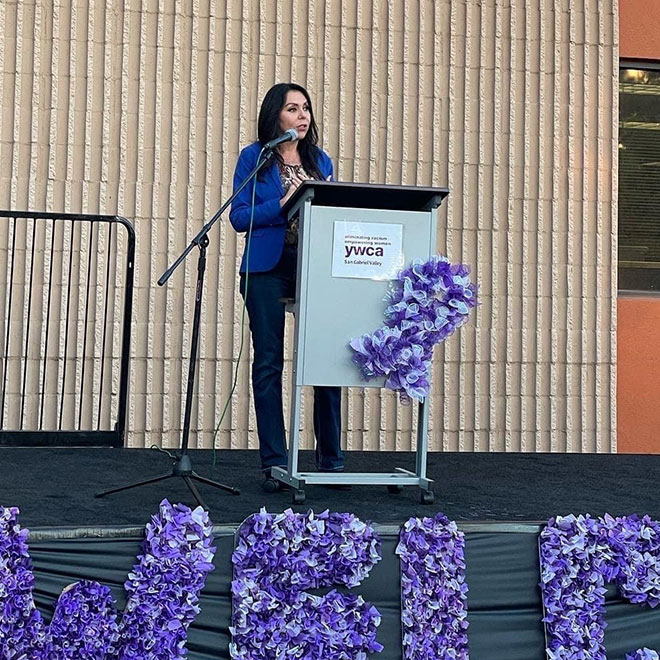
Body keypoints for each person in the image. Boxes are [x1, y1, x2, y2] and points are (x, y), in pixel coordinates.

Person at [229, 82, 344, 492]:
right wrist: (282, 204)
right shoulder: (255, 157)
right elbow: (239, 217)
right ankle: (274, 463)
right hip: (266, 268)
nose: (302, 115)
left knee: (327, 361)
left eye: (306, 108)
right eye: (292, 108)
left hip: (313, 267)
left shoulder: (321, 160)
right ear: (275, 115)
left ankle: (331, 461)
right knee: (269, 364)